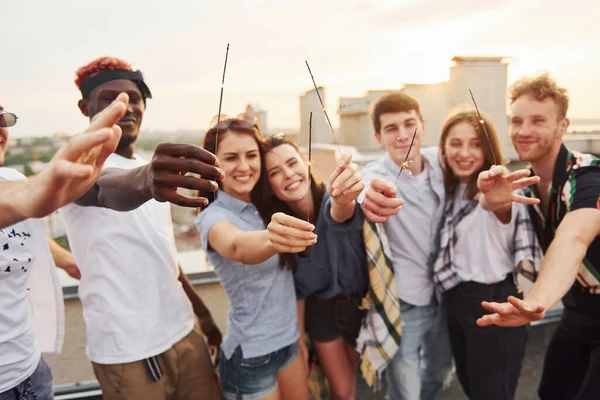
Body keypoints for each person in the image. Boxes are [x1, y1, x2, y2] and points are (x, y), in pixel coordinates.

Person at [59, 56, 222, 400]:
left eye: (134, 97)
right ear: (84, 106)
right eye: (110, 98)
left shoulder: (150, 166)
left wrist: (203, 315)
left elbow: (164, 254)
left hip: (183, 332)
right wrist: (146, 180)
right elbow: (103, 188)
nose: (126, 106)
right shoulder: (74, 167)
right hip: (127, 350)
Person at [476, 73, 600, 399]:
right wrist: (488, 198)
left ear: (563, 126)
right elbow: (493, 204)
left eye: (538, 121)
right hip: (579, 313)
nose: (524, 130)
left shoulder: (589, 175)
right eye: (517, 121)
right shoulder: (528, 181)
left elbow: (573, 239)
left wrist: (534, 302)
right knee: (552, 393)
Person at [0, 96, 127, 400]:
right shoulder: (18, 190)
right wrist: (32, 191)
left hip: (30, 374)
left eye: (1, 117)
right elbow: (13, 201)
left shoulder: (12, 179)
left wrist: (71, 262)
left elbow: (20, 230)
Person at [195, 116, 315, 400]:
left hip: (289, 343)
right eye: (231, 157)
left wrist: (299, 337)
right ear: (214, 163)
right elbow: (238, 246)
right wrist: (274, 236)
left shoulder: (265, 203)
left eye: (251, 155)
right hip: (250, 356)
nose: (244, 166)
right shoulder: (212, 215)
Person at [430, 109, 540, 399]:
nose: (464, 152)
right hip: (458, 300)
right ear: (443, 147)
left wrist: (493, 195)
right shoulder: (452, 189)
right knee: (473, 389)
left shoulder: (497, 188)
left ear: (488, 148)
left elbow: (495, 203)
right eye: (455, 143)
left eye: (476, 144)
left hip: (496, 302)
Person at [257, 134, 367, 400]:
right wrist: (299, 343)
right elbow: (296, 291)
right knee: (343, 391)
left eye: (292, 163)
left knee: (359, 384)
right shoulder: (279, 229)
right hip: (321, 312)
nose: (288, 174)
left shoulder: (331, 199)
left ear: (306, 163)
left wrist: (344, 198)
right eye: (275, 172)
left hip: (360, 307)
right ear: (269, 186)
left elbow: (341, 211)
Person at [358, 92, 452, 400]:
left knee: (438, 373)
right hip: (407, 301)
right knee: (404, 392)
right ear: (378, 136)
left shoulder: (443, 162)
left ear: (423, 126)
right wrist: (371, 197)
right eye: (391, 128)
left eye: (409, 124)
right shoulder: (376, 174)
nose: (402, 135)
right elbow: (366, 190)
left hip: (447, 295)